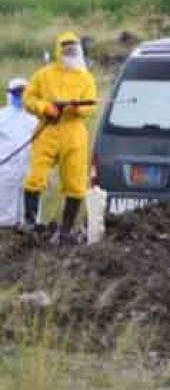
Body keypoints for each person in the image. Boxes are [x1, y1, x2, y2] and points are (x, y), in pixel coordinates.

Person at [22, 31, 97, 242]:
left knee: (75, 183)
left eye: (73, 50)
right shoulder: (43, 74)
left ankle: (66, 230)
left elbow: (91, 106)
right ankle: (31, 223)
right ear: (58, 51)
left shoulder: (86, 78)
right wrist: (45, 107)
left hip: (74, 134)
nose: (70, 54)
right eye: (66, 50)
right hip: (46, 131)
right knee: (35, 177)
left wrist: (76, 108)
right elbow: (29, 97)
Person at [0, 78, 38, 226]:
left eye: (23, 92)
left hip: (28, 170)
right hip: (5, 171)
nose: (20, 96)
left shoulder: (35, 119)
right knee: (4, 212)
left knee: (27, 214)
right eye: (17, 93)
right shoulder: (2, 116)